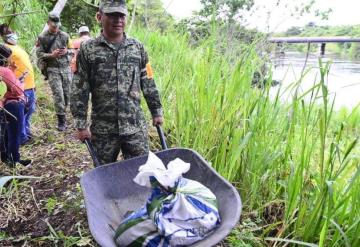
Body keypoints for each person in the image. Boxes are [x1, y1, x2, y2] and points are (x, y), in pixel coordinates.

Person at [71, 0, 164, 165]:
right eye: (112, 15)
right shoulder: (88, 49)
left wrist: (156, 111)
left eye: (122, 15)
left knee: (142, 172)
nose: (118, 20)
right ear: (99, 17)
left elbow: (148, 81)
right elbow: (80, 88)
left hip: (135, 127)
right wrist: (81, 124)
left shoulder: (137, 48)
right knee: (105, 176)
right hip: (103, 130)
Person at [0, 23, 36, 144]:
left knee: (28, 112)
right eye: (8, 33)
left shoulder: (17, 47)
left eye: (12, 31)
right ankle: (21, 138)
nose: (12, 34)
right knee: (20, 114)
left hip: (29, 85)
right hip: (19, 87)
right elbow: (6, 72)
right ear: (3, 36)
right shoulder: (5, 50)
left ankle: (25, 133)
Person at [36, 12, 72, 131]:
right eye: (53, 26)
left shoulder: (65, 36)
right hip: (52, 70)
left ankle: (64, 113)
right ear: (48, 23)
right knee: (58, 95)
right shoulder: (42, 37)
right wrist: (52, 55)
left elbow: (73, 50)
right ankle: (61, 121)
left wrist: (67, 52)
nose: (55, 28)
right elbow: (39, 54)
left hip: (66, 69)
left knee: (67, 95)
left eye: (57, 26)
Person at [0, 44, 31, 167]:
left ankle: (8, 159)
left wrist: (11, 72)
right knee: (14, 135)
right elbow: (17, 90)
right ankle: (15, 162)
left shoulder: (5, 71)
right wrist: (21, 82)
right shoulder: (4, 71)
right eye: (9, 57)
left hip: (5, 106)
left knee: (6, 134)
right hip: (13, 104)